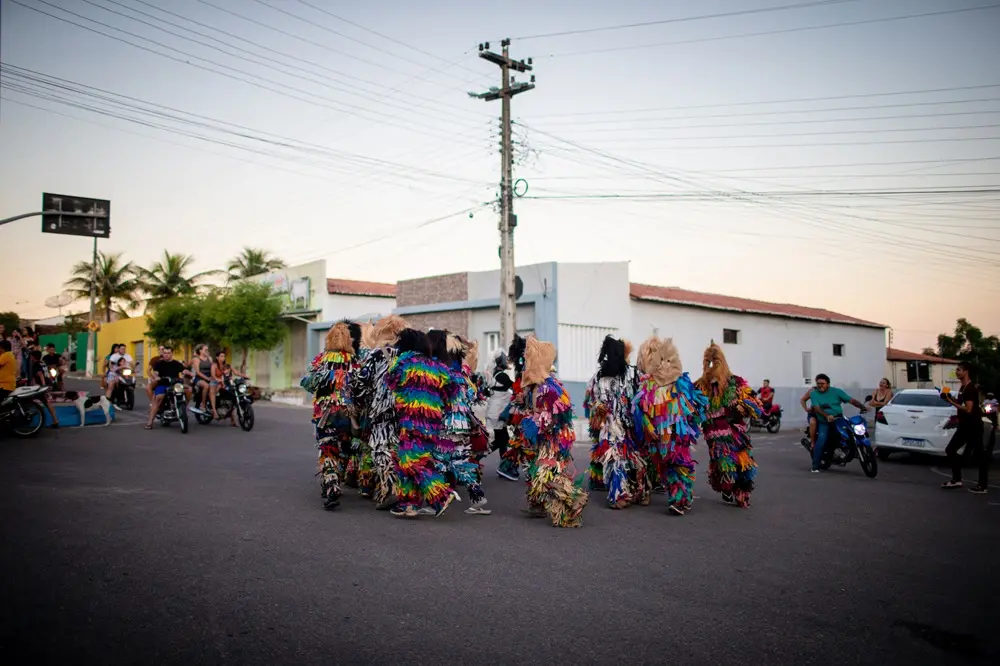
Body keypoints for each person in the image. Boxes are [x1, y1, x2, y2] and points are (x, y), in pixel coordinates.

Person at [508, 336, 588, 527]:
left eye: (529, 360)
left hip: (554, 438)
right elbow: (532, 408)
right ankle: (538, 505)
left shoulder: (551, 387)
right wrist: (523, 405)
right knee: (538, 471)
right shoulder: (533, 386)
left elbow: (559, 414)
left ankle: (574, 499)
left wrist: (538, 423)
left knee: (547, 471)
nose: (526, 363)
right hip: (541, 439)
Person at [633, 336, 708, 515]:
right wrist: (648, 427)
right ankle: (674, 495)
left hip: (676, 432)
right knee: (665, 465)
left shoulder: (679, 382)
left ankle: (681, 499)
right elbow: (641, 408)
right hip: (657, 434)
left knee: (678, 462)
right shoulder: (647, 384)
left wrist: (690, 424)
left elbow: (693, 405)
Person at [384, 328, 455, 519]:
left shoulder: (404, 362)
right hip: (432, 421)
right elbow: (452, 388)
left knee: (409, 460)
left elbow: (390, 381)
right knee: (408, 457)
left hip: (412, 420)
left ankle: (440, 495)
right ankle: (409, 504)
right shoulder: (437, 366)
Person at [695, 341, 763, 508]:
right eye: (708, 362)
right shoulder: (700, 385)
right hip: (714, 430)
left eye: (715, 362)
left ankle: (742, 492)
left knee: (743, 460)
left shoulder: (735, 382)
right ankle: (727, 487)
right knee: (723, 462)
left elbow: (754, 403)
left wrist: (744, 406)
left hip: (735, 429)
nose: (711, 367)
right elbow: (692, 405)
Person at [302, 321, 360, 510]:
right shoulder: (354, 361)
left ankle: (332, 486)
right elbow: (361, 387)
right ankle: (339, 477)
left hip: (326, 412)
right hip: (348, 413)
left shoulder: (321, 359)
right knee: (343, 446)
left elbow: (308, 383)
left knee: (328, 448)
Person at [353, 315, 408, 509]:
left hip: (382, 408)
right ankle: (401, 491)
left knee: (379, 449)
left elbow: (362, 381)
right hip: (404, 409)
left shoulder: (376, 354)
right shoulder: (406, 354)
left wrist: (360, 400)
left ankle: (391, 488)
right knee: (396, 448)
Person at [437, 332, 491, 515]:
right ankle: (477, 497)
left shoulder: (443, 373)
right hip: (462, 423)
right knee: (460, 459)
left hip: (446, 423)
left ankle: (438, 499)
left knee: (438, 458)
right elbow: (472, 397)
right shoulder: (463, 373)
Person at [583, 335, 641, 508]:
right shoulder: (627, 375)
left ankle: (628, 490)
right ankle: (617, 495)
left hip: (622, 426)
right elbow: (593, 403)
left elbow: (592, 401)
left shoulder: (602, 377)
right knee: (616, 459)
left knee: (622, 459)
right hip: (611, 427)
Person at [808, 373, 868, 473]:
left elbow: (851, 400)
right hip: (824, 421)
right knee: (821, 439)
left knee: (850, 432)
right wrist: (827, 416)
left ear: (828, 384)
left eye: (822, 383)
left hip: (839, 419)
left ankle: (847, 451)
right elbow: (816, 407)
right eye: (818, 383)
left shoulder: (837, 392)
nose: (820, 385)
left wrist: (862, 407)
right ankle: (815, 466)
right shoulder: (814, 394)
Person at [940, 362, 985, 492]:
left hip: (973, 426)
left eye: (959, 370)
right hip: (965, 426)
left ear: (966, 371)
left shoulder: (970, 388)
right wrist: (949, 397)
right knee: (950, 449)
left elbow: (969, 409)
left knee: (979, 455)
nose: (957, 372)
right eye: (956, 370)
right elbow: (961, 402)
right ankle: (956, 480)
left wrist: (951, 402)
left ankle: (982, 485)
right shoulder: (963, 387)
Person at [485, 351, 515, 480]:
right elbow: (515, 387)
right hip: (498, 413)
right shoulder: (502, 376)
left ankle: (504, 468)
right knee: (501, 440)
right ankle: (477, 457)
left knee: (503, 440)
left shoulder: (496, 374)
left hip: (495, 412)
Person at [145, 346, 189, 429]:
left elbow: (184, 370)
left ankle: (184, 409)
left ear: (172, 353)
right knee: (158, 398)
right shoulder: (159, 364)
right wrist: (156, 376)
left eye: (168, 353)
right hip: (163, 384)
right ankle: (150, 422)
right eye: (165, 353)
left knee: (188, 390)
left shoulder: (176, 363)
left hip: (175, 385)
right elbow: (155, 372)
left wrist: (189, 373)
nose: (166, 355)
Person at [29, 349, 60, 428]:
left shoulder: (36, 364)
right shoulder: (43, 363)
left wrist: (43, 385)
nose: (30, 358)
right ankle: (55, 420)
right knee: (47, 402)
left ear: (33, 357)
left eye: (31, 356)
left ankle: (54, 420)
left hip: (42, 386)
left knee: (43, 401)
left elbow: (40, 374)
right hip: (48, 383)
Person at [189, 345, 214, 415]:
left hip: (209, 377)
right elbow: (198, 372)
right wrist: (207, 378)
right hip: (199, 378)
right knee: (206, 386)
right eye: (205, 350)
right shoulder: (196, 359)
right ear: (200, 351)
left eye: (207, 350)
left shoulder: (210, 358)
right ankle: (203, 405)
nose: (207, 351)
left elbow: (213, 369)